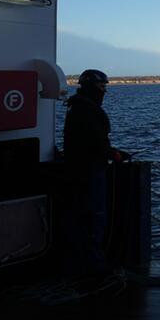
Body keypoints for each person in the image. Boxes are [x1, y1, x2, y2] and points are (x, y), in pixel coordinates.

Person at [62, 69, 129, 277]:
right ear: (92, 87)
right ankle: (94, 266)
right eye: (101, 87)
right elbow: (94, 142)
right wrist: (114, 154)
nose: (104, 91)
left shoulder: (78, 108)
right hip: (89, 172)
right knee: (93, 217)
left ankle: (85, 264)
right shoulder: (87, 111)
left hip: (80, 171)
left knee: (84, 217)